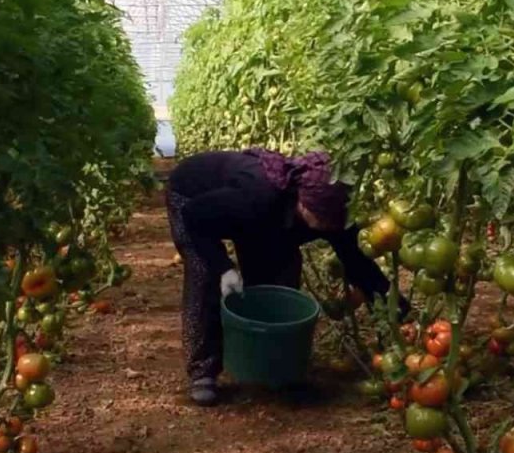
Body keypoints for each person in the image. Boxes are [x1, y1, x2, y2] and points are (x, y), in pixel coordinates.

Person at [165, 148, 389, 406]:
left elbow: (358, 262)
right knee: (204, 273)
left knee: (279, 273)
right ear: (303, 203)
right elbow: (194, 216)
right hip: (192, 197)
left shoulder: (332, 213)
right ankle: (202, 372)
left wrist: (395, 311)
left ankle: (272, 364)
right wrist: (224, 267)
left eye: (334, 222)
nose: (329, 227)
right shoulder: (258, 196)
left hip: (252, 218)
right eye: (322, 219)